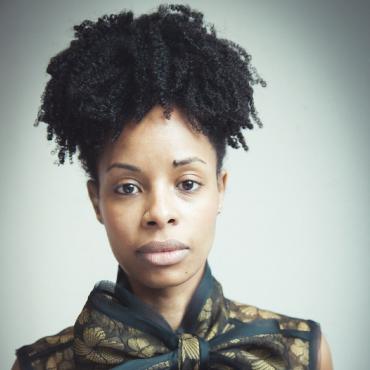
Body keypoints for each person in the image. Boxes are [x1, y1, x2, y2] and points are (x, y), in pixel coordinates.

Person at [12, 3, 333, 369]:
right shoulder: (39, 366)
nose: (160, 213)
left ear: (220, 189)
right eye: (128, 187)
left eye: (188, 183)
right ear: (96, 200)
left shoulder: (303, 355)